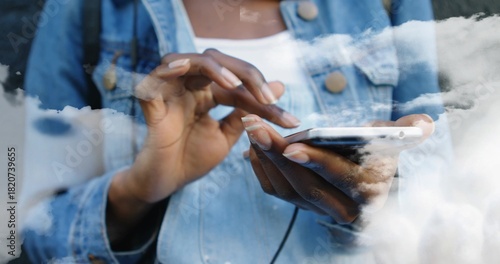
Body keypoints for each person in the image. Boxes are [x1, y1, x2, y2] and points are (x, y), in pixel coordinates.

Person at [24, 0, 449, 263]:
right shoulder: (88, 8)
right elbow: (24, 227)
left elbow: (445, 210)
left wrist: (378, 204)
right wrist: (136, 190)